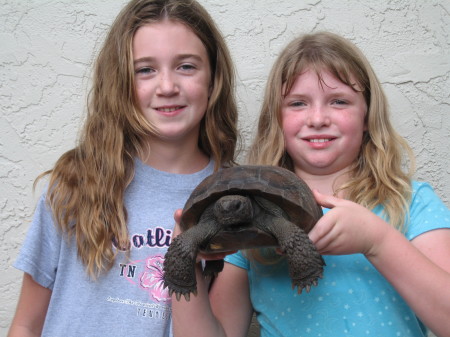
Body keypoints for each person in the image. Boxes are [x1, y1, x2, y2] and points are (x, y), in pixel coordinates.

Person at [171, 32, 450, 337]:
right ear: (277, 118)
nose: (317, 119)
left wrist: (378, 241)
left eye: (339, 101)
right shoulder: (246, 215)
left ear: (367, 114)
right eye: (298, 103)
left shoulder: (411, 202)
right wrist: (187, 265)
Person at [8, 0, 239, 336]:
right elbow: (26, 324)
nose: (167, 87)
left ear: (214, 78)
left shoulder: (234, 201)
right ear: (120, 82)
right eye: (145, 69)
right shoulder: (76, 181)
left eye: (186, 66)